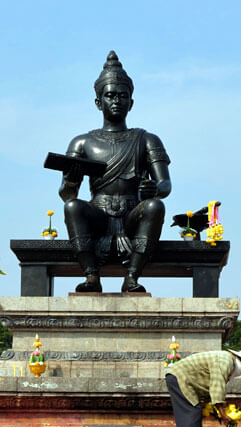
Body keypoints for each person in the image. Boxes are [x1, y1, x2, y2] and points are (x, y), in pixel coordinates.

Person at [57, 51, 172, 293]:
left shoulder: (146, 139)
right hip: (98, 213)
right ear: (99, 102)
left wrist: (154, 189)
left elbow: (165, 185)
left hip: (133, 213)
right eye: (110, 96)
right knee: (73, 207)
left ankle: (132, 276)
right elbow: (67, 194)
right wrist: (71, 178)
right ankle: (91, 275)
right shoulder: (82, 143)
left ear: (131, 102)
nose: (117, 101)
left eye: (123, 96)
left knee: (155, 206)